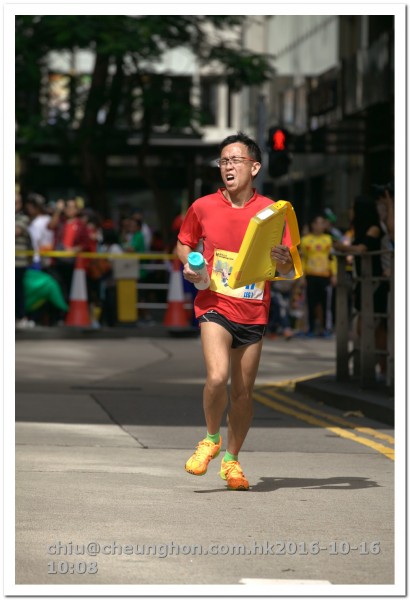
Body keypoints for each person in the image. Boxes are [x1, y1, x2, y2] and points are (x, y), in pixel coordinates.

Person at [176, 132, 297, 491]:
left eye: (235, 160)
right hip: (214, 303)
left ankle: (231, 460)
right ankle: (211, 439)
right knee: (217, 377)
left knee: (242, 394)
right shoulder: (202, 206)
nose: (227, 167)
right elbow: (184, 244)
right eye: (223, 161)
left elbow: (289, 268)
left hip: (254, 308)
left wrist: (284, 261)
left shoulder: (273, 212)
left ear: (254, 167)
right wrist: (191, 266)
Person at [333, 195, 388, 379]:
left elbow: (362, 249)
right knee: (368, 327)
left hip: (375, 283)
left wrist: (343, 248)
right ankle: (378, 368)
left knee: (373, 327)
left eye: (353, 208)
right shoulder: (360, 229)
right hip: (363, 282)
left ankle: (381, 369)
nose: (350, 212)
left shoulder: (374, 228)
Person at [300, 214, 336, 337]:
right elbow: (303, 259)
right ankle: (309, 329)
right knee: (310, 303)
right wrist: (302, 276)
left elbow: (332, 258)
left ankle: (326, 328)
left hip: (325, 275)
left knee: (326, 304)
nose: (320, 225)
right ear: (313, 225)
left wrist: (334, 274)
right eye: (318, 223)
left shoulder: (328, 239)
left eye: (322, 223)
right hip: (311, 275)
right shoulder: (305, 240)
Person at [15, 190, 35, 328]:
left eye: (16, 202)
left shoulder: (23, 218)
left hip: (18, 262)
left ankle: (21, 317)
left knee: (17, 290)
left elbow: (16, 231)